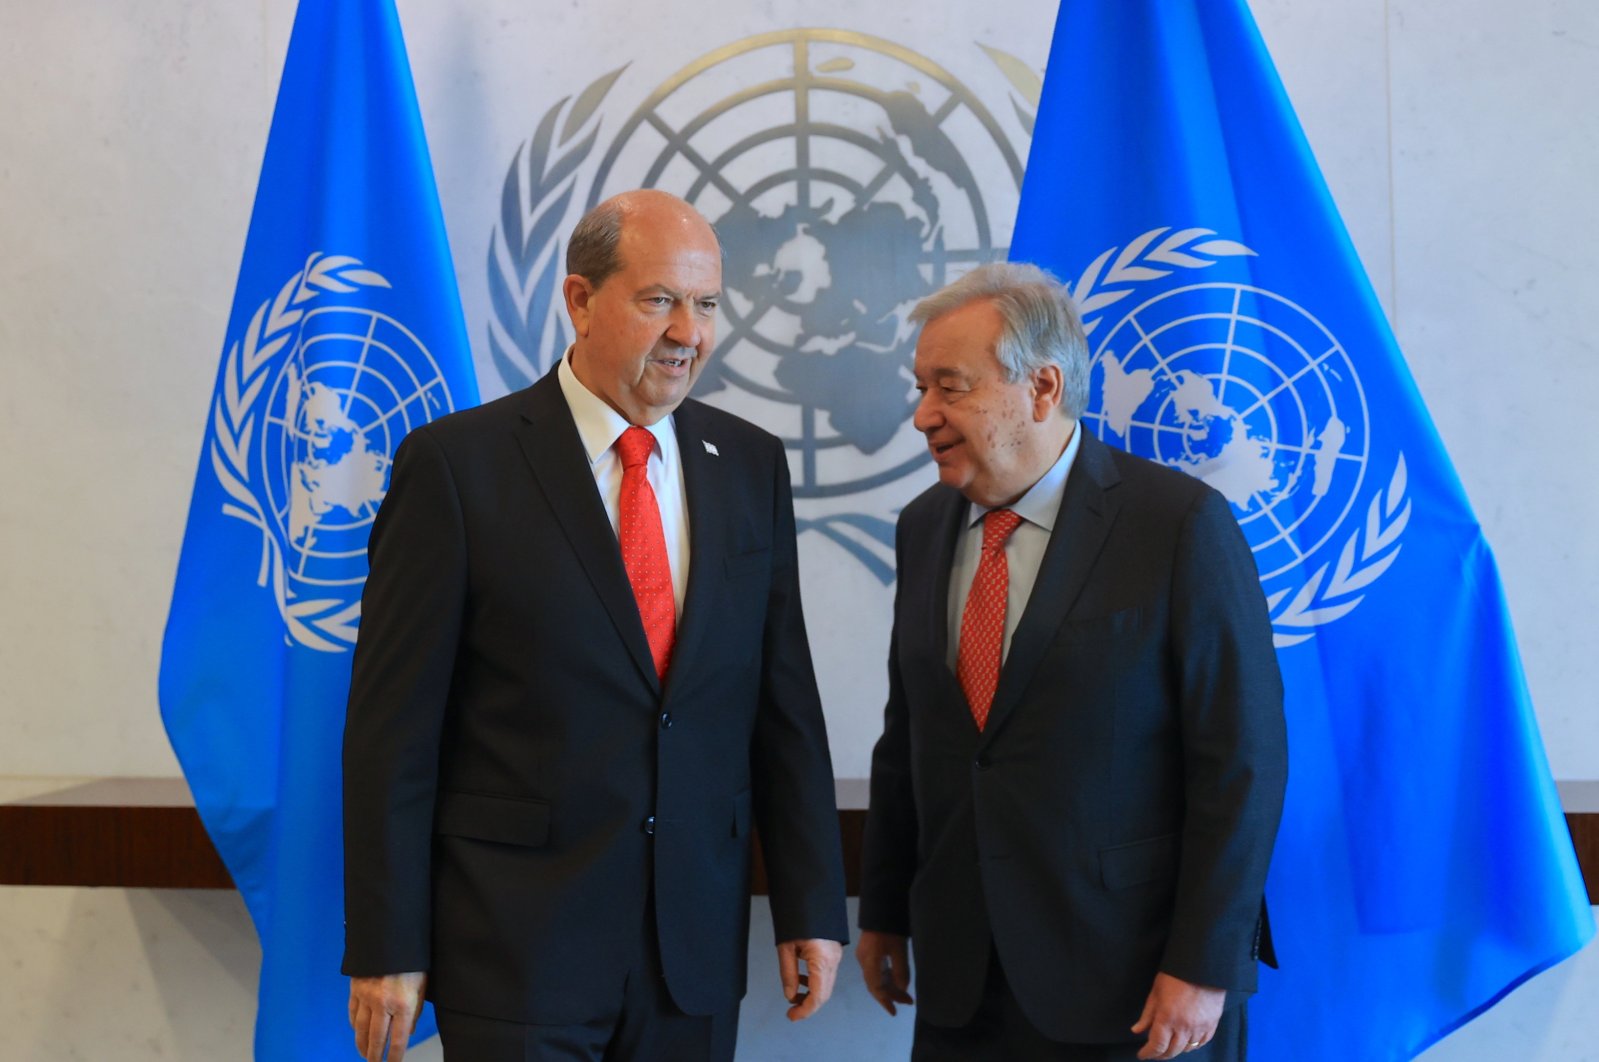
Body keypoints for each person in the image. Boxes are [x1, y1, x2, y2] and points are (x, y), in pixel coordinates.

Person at [342, 190, 848, 1062]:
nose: (688, 331)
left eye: (707, 304)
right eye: (659, 300)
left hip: (687, 955)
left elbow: (782, 703)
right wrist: (388, 945)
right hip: (516, 952)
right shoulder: (458, 468)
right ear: (580, 301)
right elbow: (394, 732)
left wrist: (810, 906)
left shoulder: (750, 466)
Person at [856, 262, 1287, 1061]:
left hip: (1131, 984)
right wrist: (883, 907)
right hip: (962, 983)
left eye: (950, 388)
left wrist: (1201, 965)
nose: (922, 416)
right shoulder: (923, 527)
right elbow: (908, 736)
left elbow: (1241, 762)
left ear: (1042, 387)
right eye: (921, 387)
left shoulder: (1177, 525)